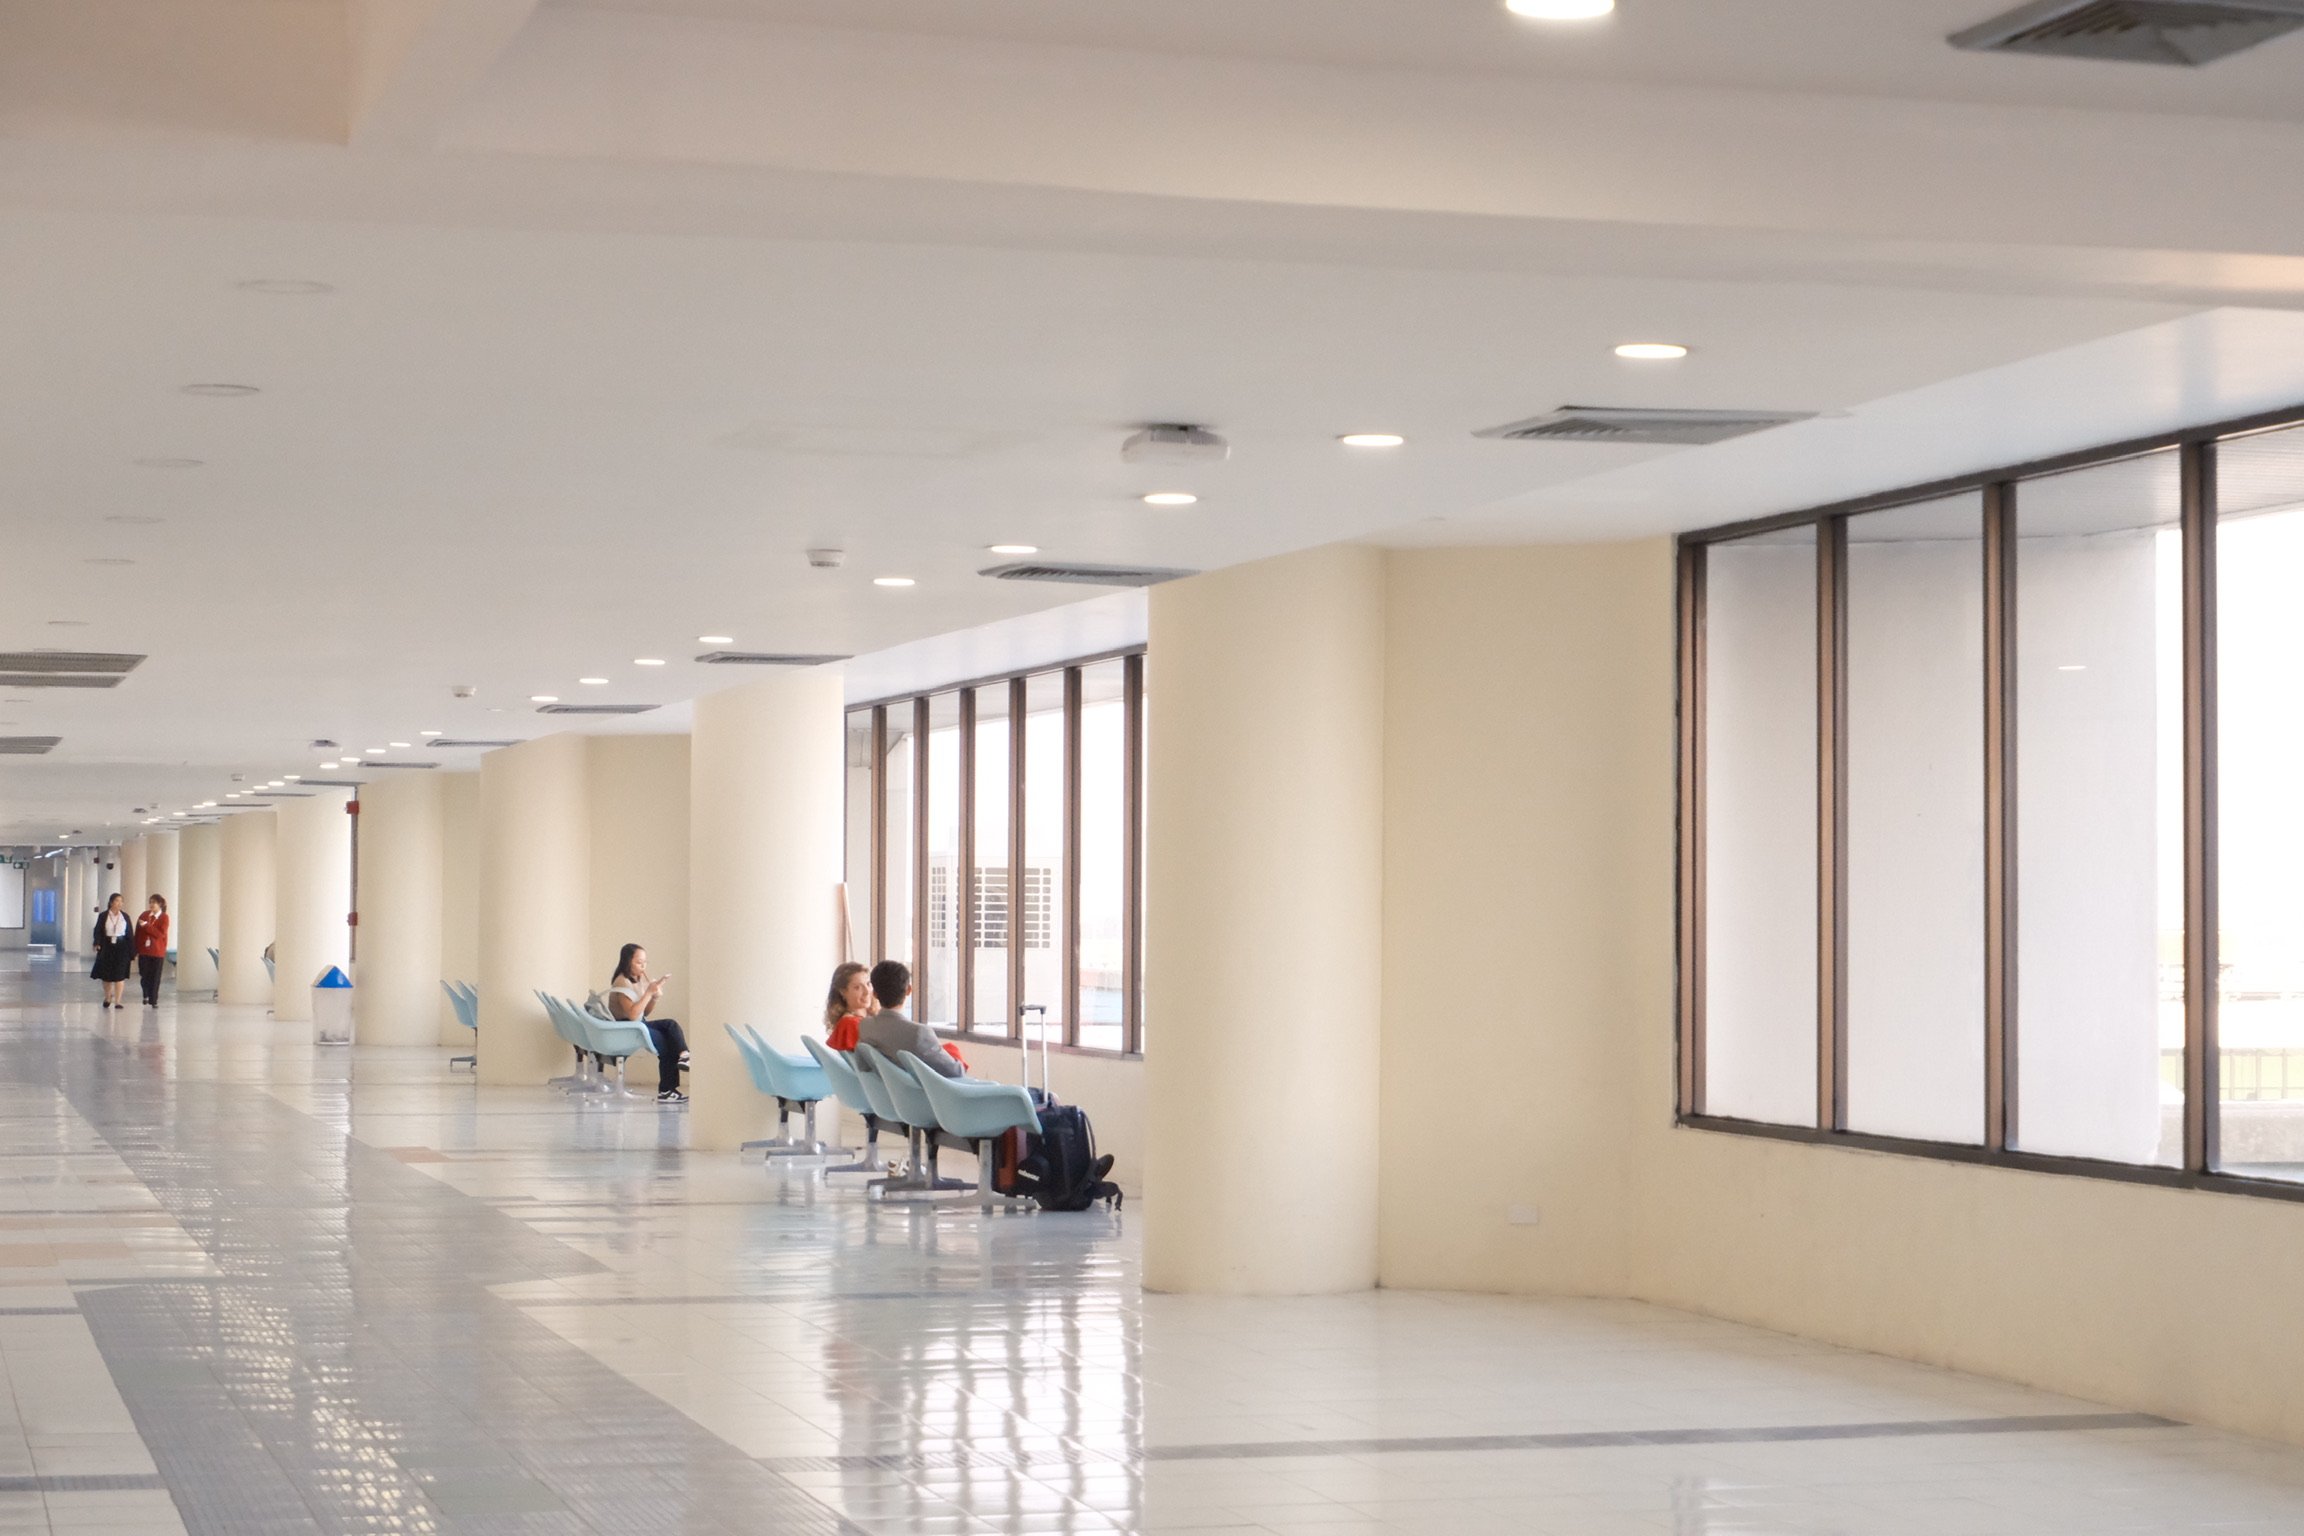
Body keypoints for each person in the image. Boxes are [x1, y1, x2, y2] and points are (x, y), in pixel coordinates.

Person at [607, 943, 690, 1104]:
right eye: (639, 962)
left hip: (637, 1023)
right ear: (627, 962)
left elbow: (644, 1013)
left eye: (645, 962)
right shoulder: (622, 982)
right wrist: (649, 992)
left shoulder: (638, 980)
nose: (643, 966)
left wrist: (654, 997)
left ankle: (684, 1055)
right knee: (666, 1044)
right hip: (626, 1027)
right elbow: (632, 1015)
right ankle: (666, 1090)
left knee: (670, 1025)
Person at [856, 960, 964, 1079]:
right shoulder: (919, 1033)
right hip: (923, 1095)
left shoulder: (865, 1026)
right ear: (908, 990)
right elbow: (955, 1072)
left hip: (888, 1094)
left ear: (875, 994)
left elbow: (863, 1067)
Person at [90, 894, 134, 1009]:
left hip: (121, 946)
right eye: (117, 901)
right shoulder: (103, 916)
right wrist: (97, 942)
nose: (119, 903)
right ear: (111, 902)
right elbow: (98, 930)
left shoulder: (125, 917)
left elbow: (130, 934)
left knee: (120, 975)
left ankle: (118, 1001)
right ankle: (108, 997)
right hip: (107, 946)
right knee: (107, 975)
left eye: (121, 901)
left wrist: (132, 950)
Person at [823, 961, 875, 1052]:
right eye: (857, 987)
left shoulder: (859, 1020)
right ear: (843, 992)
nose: (867, 992)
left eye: (868, 984)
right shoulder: (851, 1024)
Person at [133, 895, 170, 1007]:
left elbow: (159, 934)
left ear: (160, 904)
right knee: (144, 974)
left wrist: (147, 926)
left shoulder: (164, 917)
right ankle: (146, 994)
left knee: (155, 976)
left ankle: (153, 1000)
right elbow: (138, 934)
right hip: (144, 950)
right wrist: (135, 949)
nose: (152, 904)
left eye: (155, 902)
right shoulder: (144, 915)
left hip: (157, 951)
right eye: (150, 902)